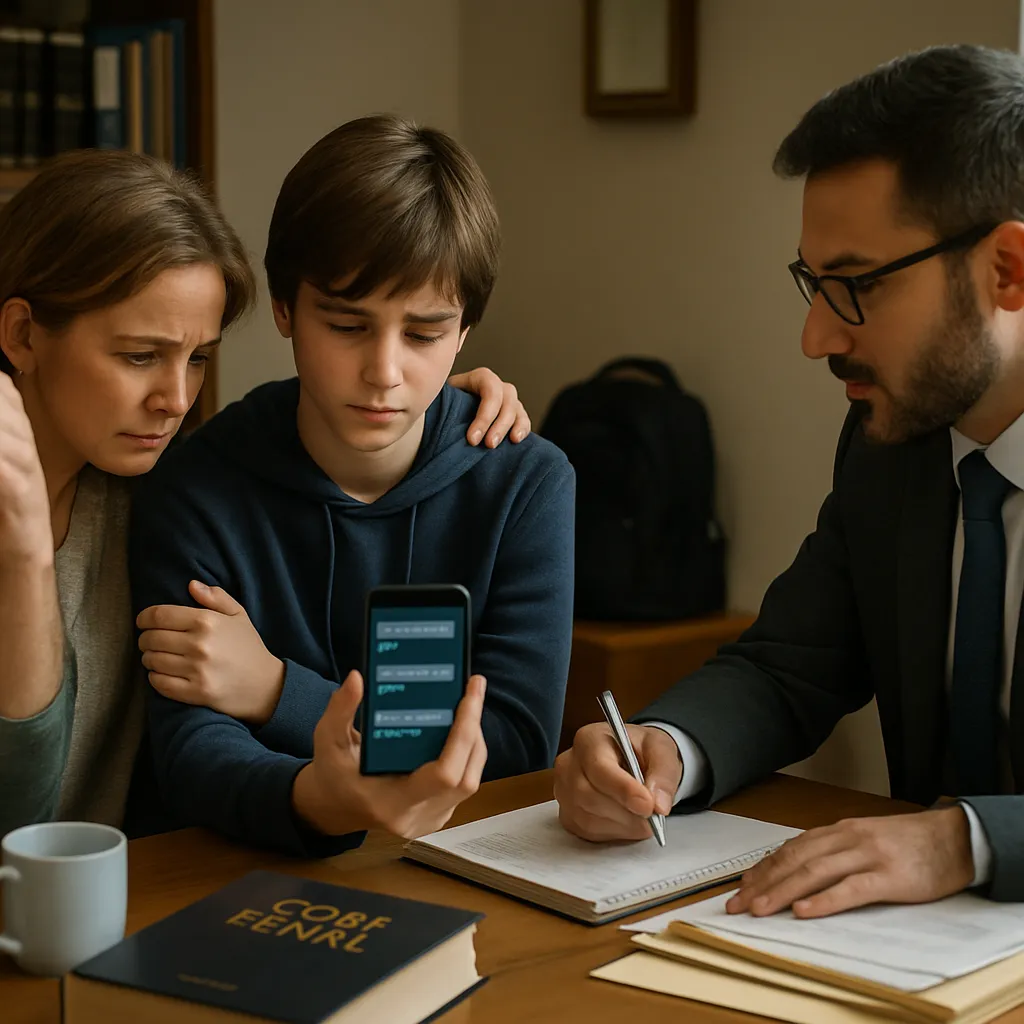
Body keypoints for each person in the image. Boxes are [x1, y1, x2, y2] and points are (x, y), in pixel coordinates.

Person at [555, 44, 1024, 914]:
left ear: (1008, 269)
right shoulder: (892, 446)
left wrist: (968, 840)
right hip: (917, 954)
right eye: (815, 283)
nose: (817, 339)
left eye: (856, 285)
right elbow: (789, 666)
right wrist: (665, 745)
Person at [0, 148, 532, 840]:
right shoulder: (169, 485)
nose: (177, 400)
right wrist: (25, 559)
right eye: (139, 355)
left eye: (198, 357)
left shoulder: (142, 487)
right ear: (22, 334)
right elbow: (21, 812)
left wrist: (432, 415)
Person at [129, 115, 575, 857]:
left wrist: (276, 691)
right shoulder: (196, 485)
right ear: (285, 309)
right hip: (245, 871)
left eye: (424, 334)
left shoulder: (525, 482)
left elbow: (514, 745)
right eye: (347, 326)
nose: (385, 372)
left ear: (465, 332)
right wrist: (330, 799)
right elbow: (193, 758)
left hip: (458, 865)